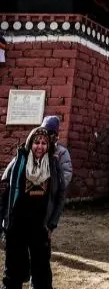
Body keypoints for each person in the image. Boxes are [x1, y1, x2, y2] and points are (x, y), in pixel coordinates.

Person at [0, 126, 66, 289]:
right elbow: (5, 191)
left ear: (48, 146)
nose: (40, 146)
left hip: (40, 225)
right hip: (18, 224)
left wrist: (52, 224)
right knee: (13, 271)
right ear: (30, 144)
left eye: (44, 143)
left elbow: (60, 196)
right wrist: (5, 221)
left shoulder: (53, 164)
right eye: (36, 142)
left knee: (42, 272)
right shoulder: (19, 162)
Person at [41, 116, 72, 190]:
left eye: (50, 132)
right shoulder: (35, 147)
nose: (46, 135)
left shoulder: (61, 152)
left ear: (55, 134)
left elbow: (66, 174)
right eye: (44, 131)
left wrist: (54, 188)